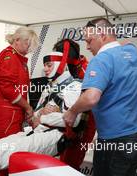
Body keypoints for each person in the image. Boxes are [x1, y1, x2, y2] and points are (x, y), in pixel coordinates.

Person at [0, 51, 90, 175]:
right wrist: (42, 115)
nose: (45, 69)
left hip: (55, 136)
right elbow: (36, 115)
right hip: (35, 131)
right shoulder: (49, 88)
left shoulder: (74, 86)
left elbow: (74, 120)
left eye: (49, 65)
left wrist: (44, 116)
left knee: (3, 153)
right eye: (44, 65)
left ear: (61, 64)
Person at [63, 17, 137, 176]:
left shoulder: (100, 60)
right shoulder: (132, 51)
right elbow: (127, 42)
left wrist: (72, 111)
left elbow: (91, 98)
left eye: (89, 41)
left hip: (115, 142)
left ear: (102, 35)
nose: (87, 47)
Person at [35, 39, 96, 170]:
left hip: (84, 122)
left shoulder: (87, 71)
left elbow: (86, 107)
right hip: (58, 126)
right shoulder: (58, 76)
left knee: (70, 163)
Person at [0, 26, 39, 141]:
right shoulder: (10, 57)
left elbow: (17, 89)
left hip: (10, 114)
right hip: (6, 115)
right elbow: (8, 88)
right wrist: (27, 107)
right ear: (17, 40)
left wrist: (25, 109)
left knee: (9, 154)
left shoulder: (15, 58)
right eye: (27, 43)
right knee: (9, 154)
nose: (29, 49)